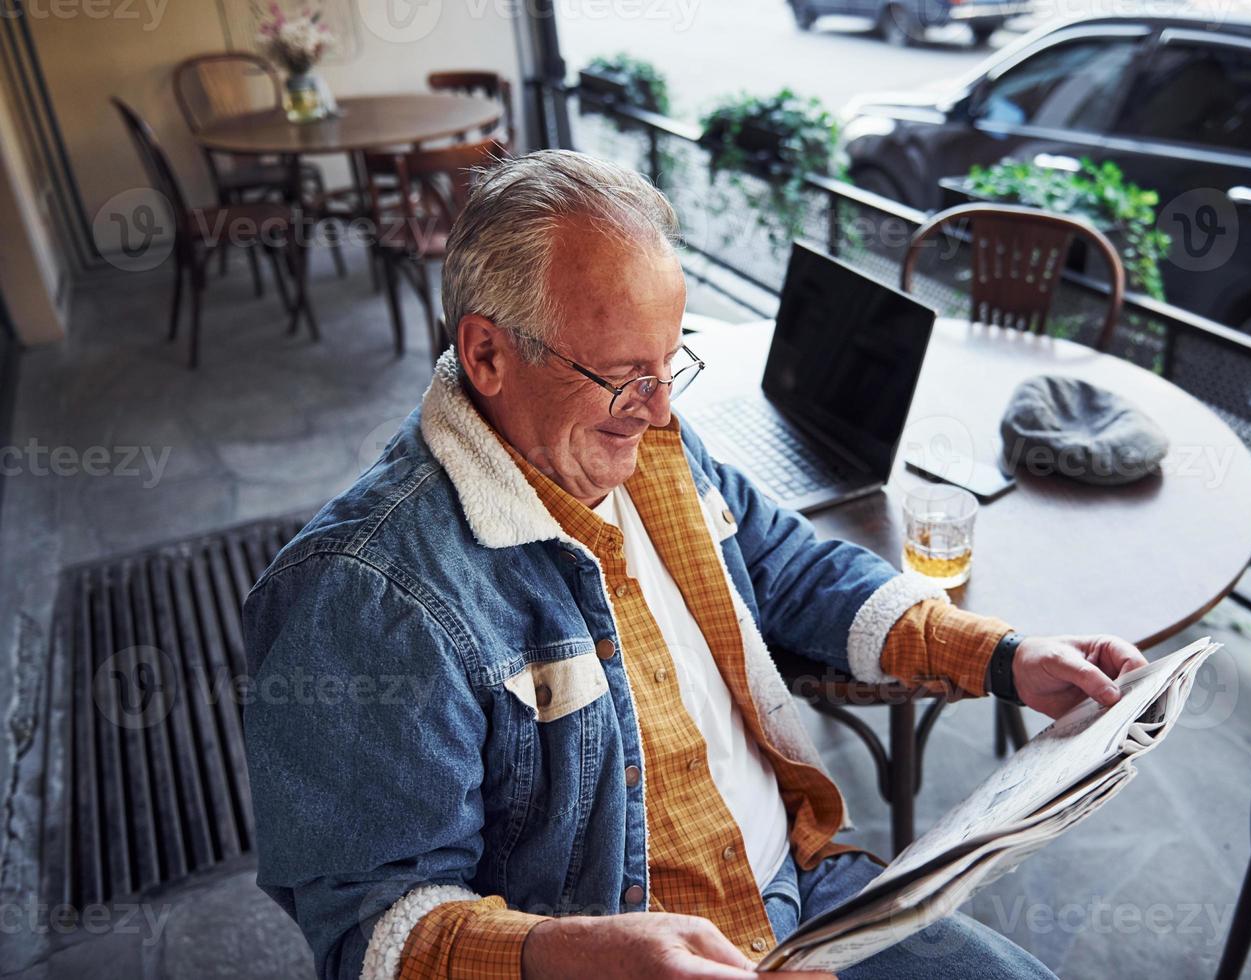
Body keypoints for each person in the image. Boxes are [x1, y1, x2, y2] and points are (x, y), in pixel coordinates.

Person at [242, 150, 1147, 980]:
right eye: (625, 374)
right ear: (487, 353)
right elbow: (372, 932)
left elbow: (792, 570)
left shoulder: (655, 442)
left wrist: (1002, 656)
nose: (657, 408)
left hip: (803, 897)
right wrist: (576, 954)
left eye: (671, 363)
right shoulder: (365, 595)